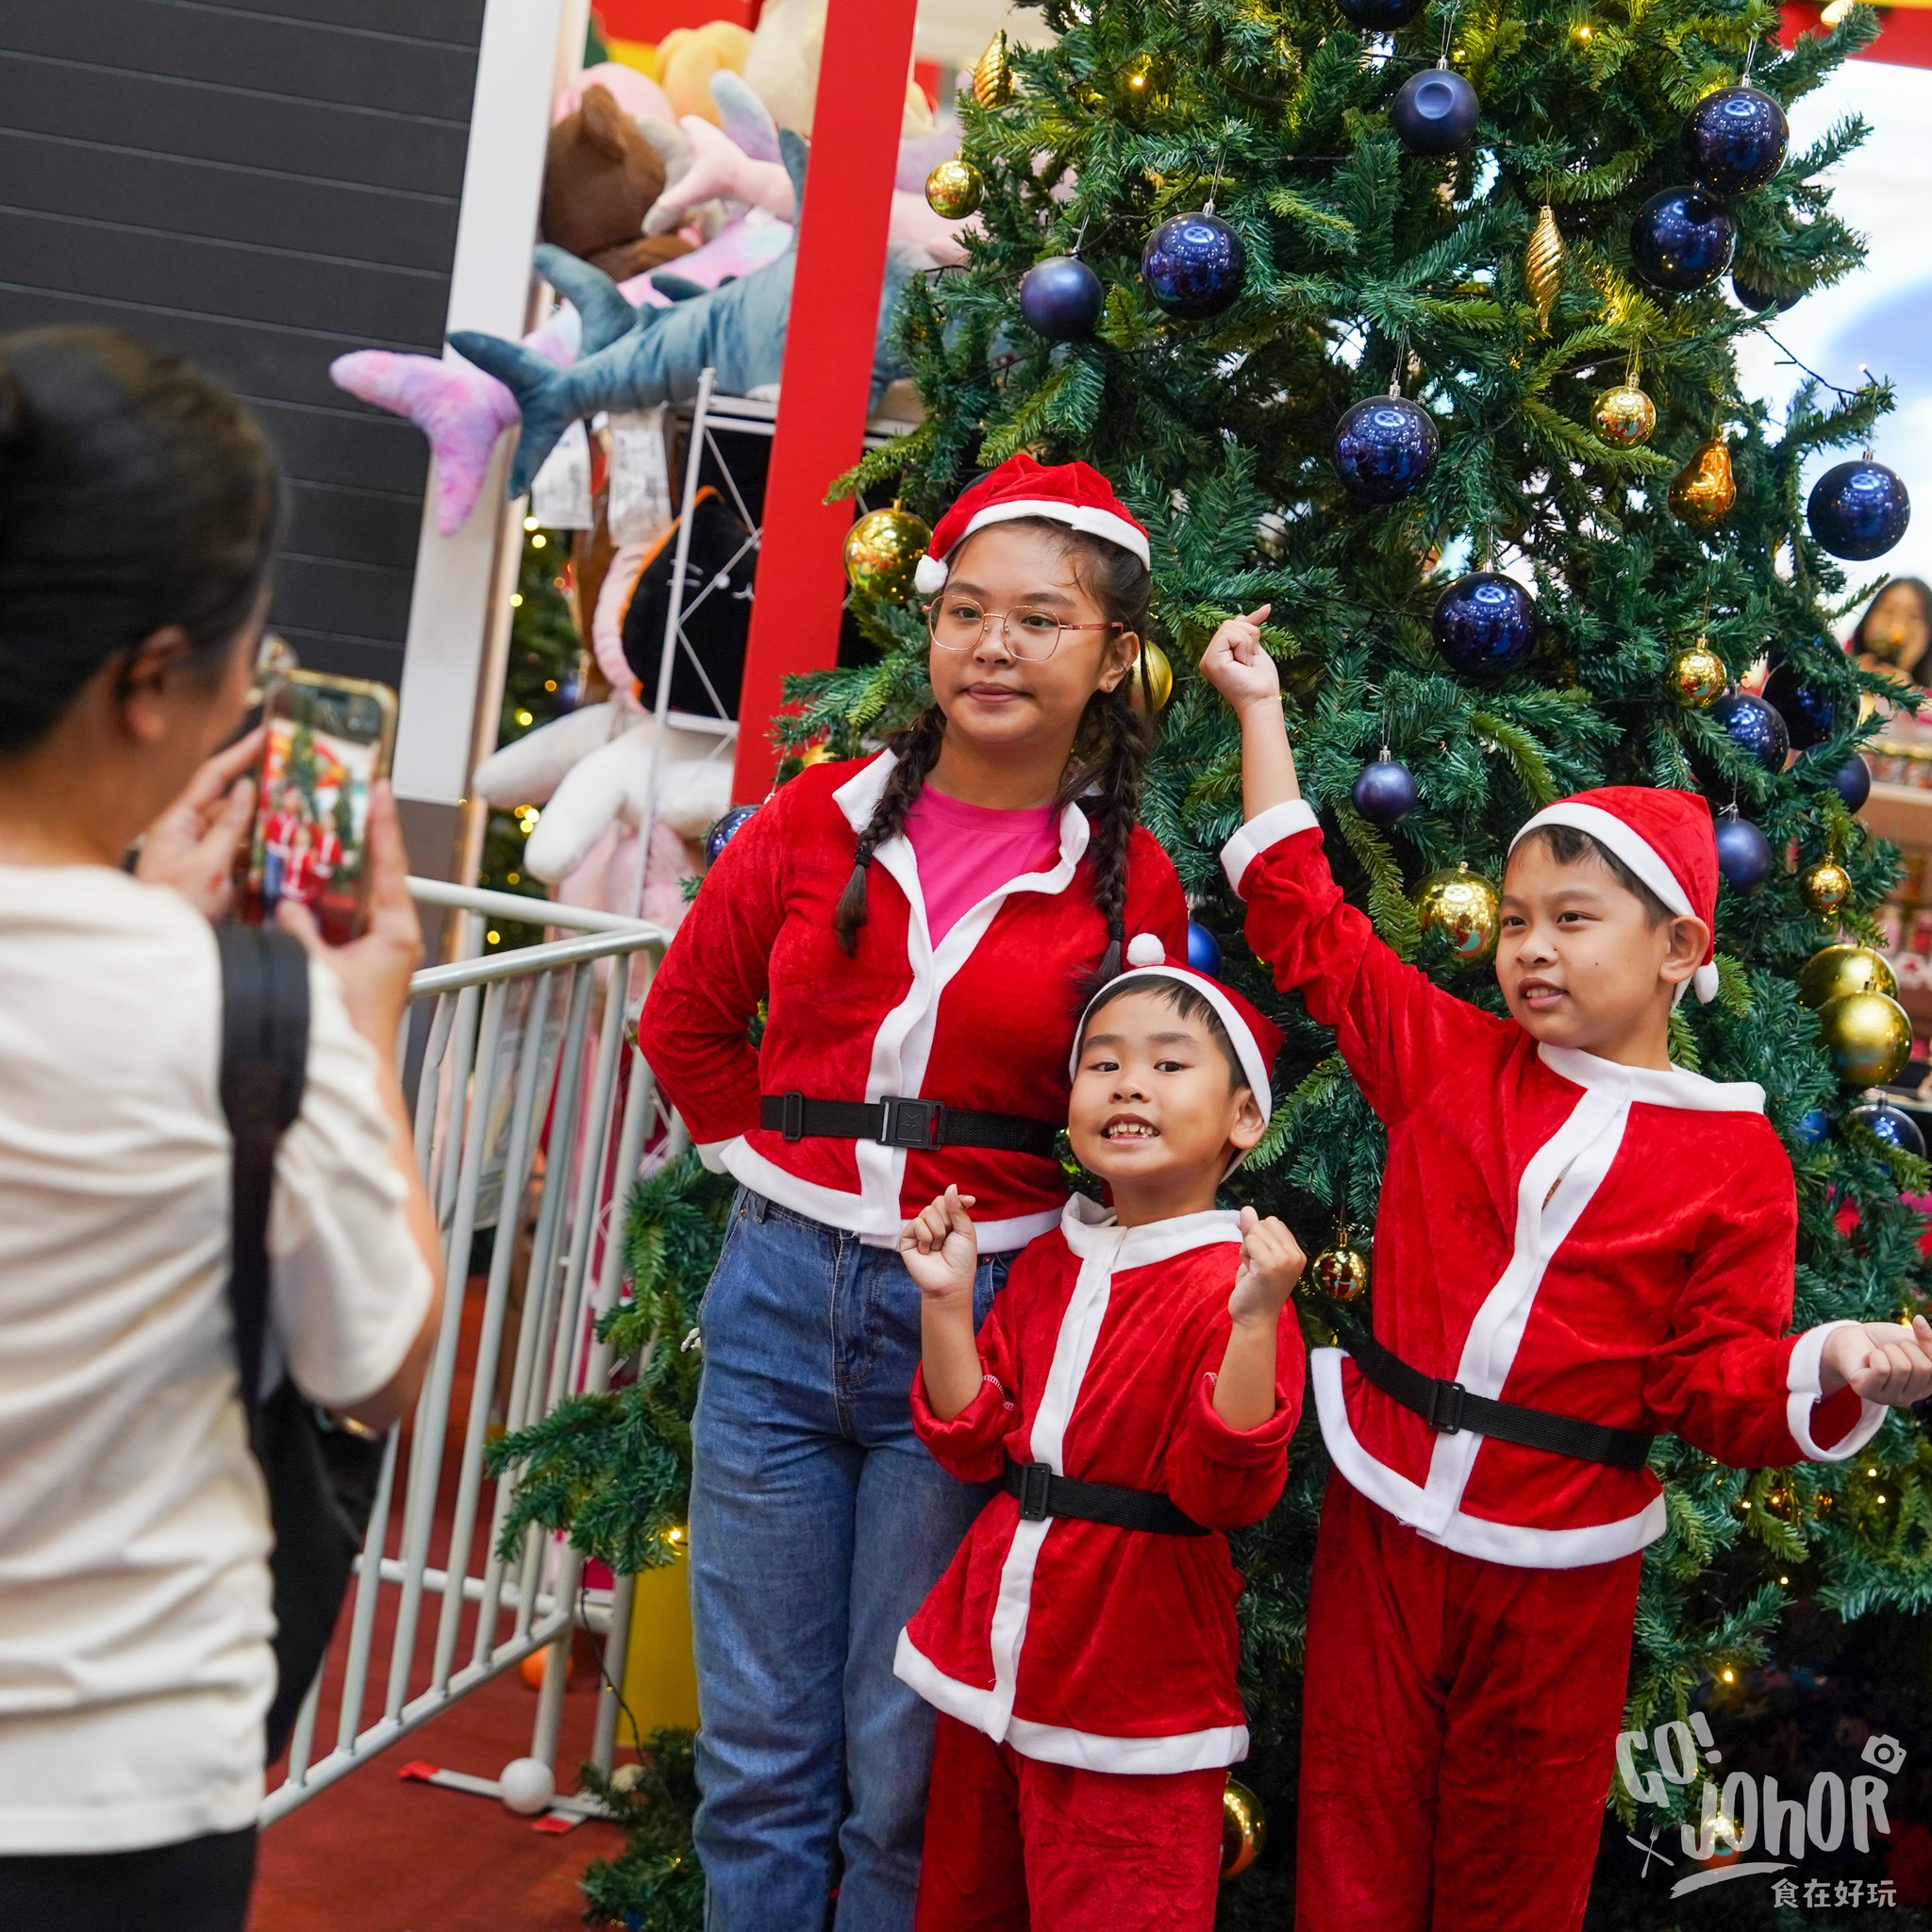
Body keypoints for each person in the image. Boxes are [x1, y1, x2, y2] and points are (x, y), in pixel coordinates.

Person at [1197, 606, 1932, 1932]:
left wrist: (1835, 1361)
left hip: (1560, 1564)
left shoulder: (1734, 1162)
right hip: (1382, 1510)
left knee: (1516, 1860)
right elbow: (1308, 920)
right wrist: (1259, 712)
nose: (1529, 945)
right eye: (1515, 919)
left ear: (1678, 949)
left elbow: (1713, 1387)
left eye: (1572, 919)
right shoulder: (1448, 1058)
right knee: (1355, 1826)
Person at [637, 454, 1191, 1929]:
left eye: (1039, 620)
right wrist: (773, 1173)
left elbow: (1147, 1122)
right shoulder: (814, 818)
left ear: (1113, 657)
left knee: (900, 1775)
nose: (994, 646)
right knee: (756, 1760)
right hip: (775, 1300)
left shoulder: (1129, 883)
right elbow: (686, 1023)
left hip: (971, 1331)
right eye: (965, 613)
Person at [0, 325, 442, 1932]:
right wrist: (362, 1027)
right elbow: (378, 1363)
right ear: (147, 682)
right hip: (114, 1788)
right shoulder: (250, 1014)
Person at [895, 960, 1306, 1931]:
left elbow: (1223, 1491)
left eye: (1168, 1064)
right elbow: (970, 1444)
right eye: (1103, 1063)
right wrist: (946, 1304)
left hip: (1134, 1678)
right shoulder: (1049, 1259)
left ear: (1244, 1116)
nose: (1128, 1086)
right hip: (987, 1662)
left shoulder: (1237, 1282)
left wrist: (1254, 1321)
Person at [1852, 576, 1932, 686]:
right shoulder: (1833, 676)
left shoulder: (1925, 697)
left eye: (1914, 616)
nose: (1898, 626)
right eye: (1888, 611)